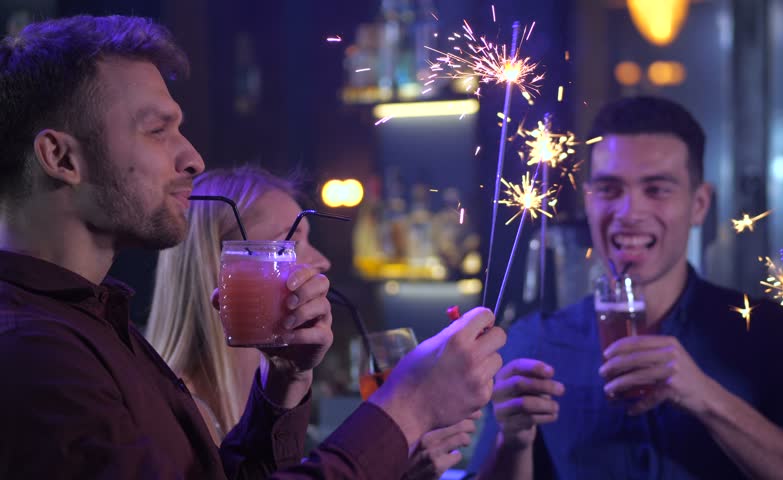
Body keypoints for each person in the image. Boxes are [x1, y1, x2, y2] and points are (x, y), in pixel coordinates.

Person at [0, 15, 506, 479]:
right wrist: (409, 406)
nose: (193, 158)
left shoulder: (97, 322)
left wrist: (282, 383)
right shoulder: (34, 354)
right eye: (157, 131)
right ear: (61, 157)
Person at [469, 96, 783, 479]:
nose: (629, 213)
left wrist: (704, 397)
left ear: (699, 204)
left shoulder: (774, 334)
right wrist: (512, 442)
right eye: (609, 189)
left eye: (657, 189)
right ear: (588, 200)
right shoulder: (533, 343)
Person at [146, 165, 478, 477]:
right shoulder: (168, 417)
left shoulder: (286, 402)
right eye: (287, 244)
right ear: (224, 268)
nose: (323, 261)